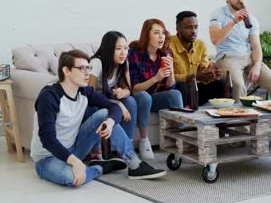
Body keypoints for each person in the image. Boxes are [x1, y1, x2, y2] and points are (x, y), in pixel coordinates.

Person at [30, 50, 166, 187]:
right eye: (82, 68)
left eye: (88, 67)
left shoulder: (84, 91)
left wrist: (110, 122)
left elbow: (113, 108)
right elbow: (47, 139)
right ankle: (100, 168)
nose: (87, 72)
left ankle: (135, 164)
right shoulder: (49, 96)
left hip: (75, 148)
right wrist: (76, 162)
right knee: (71, 178)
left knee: (104, 114)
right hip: (47, 157)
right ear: (67, 71)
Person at [209, 0, 271, 102]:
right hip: (227, 57)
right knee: (239, 86)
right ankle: (240, 120)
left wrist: (257, 65)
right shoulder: (218, 14)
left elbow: (256, 46)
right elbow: (215, 39)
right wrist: (234, 21)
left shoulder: (251, 19)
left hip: (248, 57)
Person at [89, 31, 154, 160]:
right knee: (102, 109)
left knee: (130, 101)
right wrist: (118, 104)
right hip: (93, 99)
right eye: (118, 49)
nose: (123, 52)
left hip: (108, 97)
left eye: (125, 48)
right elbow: (89, 94)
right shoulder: (97, 63)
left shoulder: (124, 62)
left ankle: (126, 148)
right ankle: (96, 150)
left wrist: (122, 92)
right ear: (108, 49)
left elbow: (129, 89)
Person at [128, 19, 184, 157]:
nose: (161, 37)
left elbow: (170, 86)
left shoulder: (165, 53)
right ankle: (144, 141)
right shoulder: (134, 52)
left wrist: (171, 71)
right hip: (137, 98)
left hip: (153, 97)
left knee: (175, 94)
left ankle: (181, 138)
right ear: (147, 35)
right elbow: (134, 88)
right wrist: (156, 78)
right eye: (156, 33)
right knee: (144, 96)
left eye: (163, 33)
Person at [169, 11, 225, 106]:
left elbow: (203, 70)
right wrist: (193, 77)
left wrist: (211, 73)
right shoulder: (168, 45)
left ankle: (220, 116)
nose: (194, 31)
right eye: (188, 27)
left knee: (221, 83)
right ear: (178, 29)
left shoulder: (201, 45)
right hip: (177, 89)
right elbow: (167, 77)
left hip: (196, 88)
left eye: (196, 27)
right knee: (182, 87)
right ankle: (185, 116)